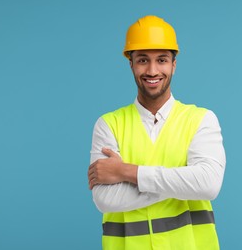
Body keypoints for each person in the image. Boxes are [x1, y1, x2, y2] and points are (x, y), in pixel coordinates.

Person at [88, 15, 226, 250]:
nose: (152, 70)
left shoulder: (201, 120)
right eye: (143, 60)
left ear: (174, 63)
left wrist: (126, 172)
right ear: (130, 63)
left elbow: (208, 185)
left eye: (161, 60)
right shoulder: (108, 124)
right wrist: (183, 181)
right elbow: (105, 200)